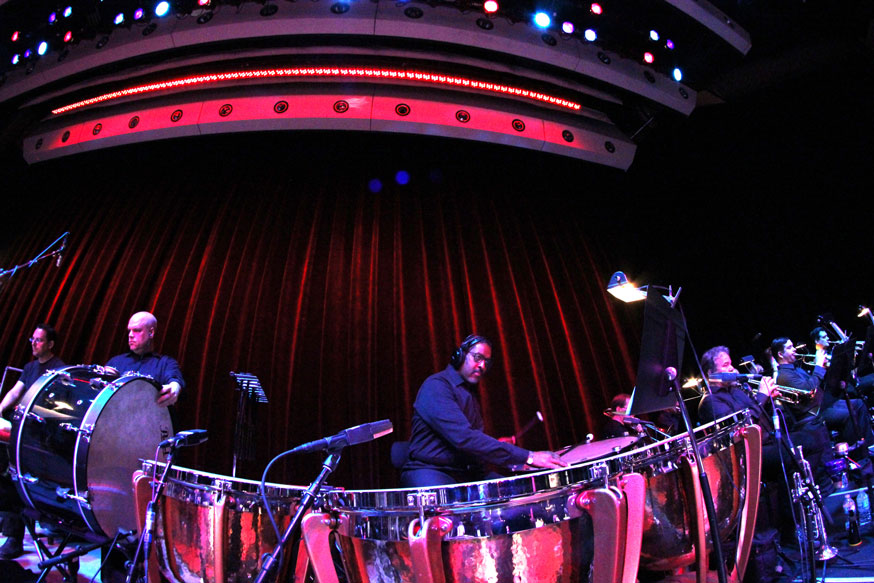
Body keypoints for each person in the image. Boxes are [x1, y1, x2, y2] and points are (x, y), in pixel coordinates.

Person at [401, 334, 565, 487]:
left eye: (487, 362)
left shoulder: (468, 393)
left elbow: (473, 443)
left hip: (465, 472)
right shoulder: (437, 386)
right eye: (478, 357)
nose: (482, 366)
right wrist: (529, 456)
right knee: (451, 507)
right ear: (460, 355)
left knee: (520, 491)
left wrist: (506, 454)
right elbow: (465, 439)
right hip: (431, 470)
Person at [0, 324, 66, 560]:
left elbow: (56, 408)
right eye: (32, 339)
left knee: (13, 475)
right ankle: (9, 519)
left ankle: (14, 536)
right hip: (21, 428)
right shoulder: (29, 368)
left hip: (40, 435)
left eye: (39, 340)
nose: (34, 344)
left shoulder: (59, 370)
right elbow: (15, 392)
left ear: (50, 344)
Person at [772, 336, 874, 462]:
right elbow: (809, 389)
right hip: (813, 412)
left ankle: (869, 446)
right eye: (789, 348)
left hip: (821, 403)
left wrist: (827, 369)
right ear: (780, 354)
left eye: (793, 346)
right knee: (848, 414)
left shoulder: (796, 368)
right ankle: (857, 456)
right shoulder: (784, 376)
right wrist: (819, 366)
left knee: (858, 403)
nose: (794, 349)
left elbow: (816, 382)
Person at [105, 311, 184, 407]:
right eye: (129, 330)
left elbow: (175, 381)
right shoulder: (116, 362)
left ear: (151, 332)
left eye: (136, 330)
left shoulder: (166, 363)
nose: (130, 335)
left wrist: (174, 389)